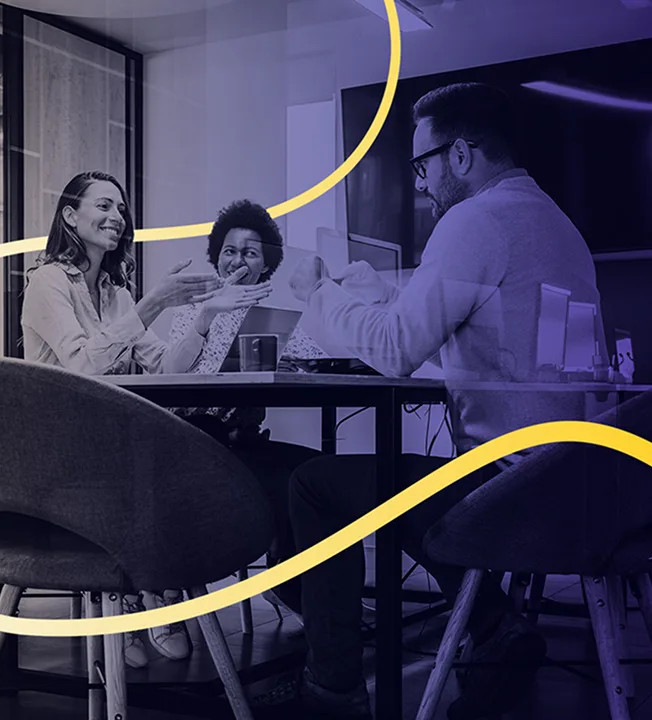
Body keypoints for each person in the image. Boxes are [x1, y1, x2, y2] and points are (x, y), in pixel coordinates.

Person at [263, 82, 605, 720]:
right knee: (414, 477)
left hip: (510, 490)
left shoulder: (475, 220)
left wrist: (318, 291)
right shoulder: (556, 225)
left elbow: (394, 351)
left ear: (463, 154)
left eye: (423, 164)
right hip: (569, 479)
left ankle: (332, 688)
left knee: (315, 484)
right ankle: (494, 625)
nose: (420, 183)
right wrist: (372, 299)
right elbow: (496, 336)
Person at [22, 170, 231, 669]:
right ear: (70, 216)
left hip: (108, 439)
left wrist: (201, 317)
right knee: (161, 465)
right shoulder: (46, 281)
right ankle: (146, 597)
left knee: (185, 457)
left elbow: (165, 366)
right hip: (59, 447)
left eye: (120, 209)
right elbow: (81, 365)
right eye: (103, 206)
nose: (116, 217)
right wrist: (155, 301)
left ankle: (146, 592)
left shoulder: (115, 292)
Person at [163, 199, 326, 624]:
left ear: (265, 264)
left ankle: (297, 588)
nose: (238, 260)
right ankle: (287, 586)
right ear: (217, 257)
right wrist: (204, 318)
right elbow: (170, 373)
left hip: (241, 443)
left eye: (250, 252)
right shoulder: (191, 308)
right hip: (190, 444)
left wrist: (290, 362)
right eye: (230, 251)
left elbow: (317, 362)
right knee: (289, 481)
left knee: (317, 473)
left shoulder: (271, 316)